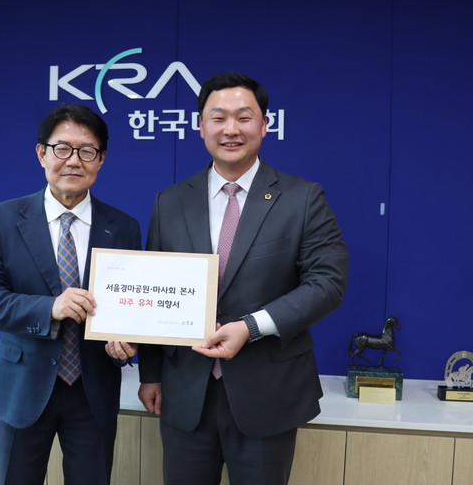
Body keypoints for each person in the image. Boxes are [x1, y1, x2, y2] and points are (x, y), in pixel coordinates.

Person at [138, 72, 349, 484]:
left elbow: (328, 282)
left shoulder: (303, 198)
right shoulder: (171, 201)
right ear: (201, 126)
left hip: (267, 393)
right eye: (218, 118)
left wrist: (250, 327)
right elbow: (154, 287)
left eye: (244, 117)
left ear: (265, 125)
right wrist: (151, 373)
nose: (231, 129)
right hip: (185, 394)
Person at [0, 104, 141, 485]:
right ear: (41, 153)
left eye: (87, 151)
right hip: (23, 388)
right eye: (62, 148)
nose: (73, 161)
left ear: (102, 159)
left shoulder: (124, 227)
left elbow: (130, 304)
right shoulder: (1, 220)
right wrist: (50, 308)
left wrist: (126, 343)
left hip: (93, 391)